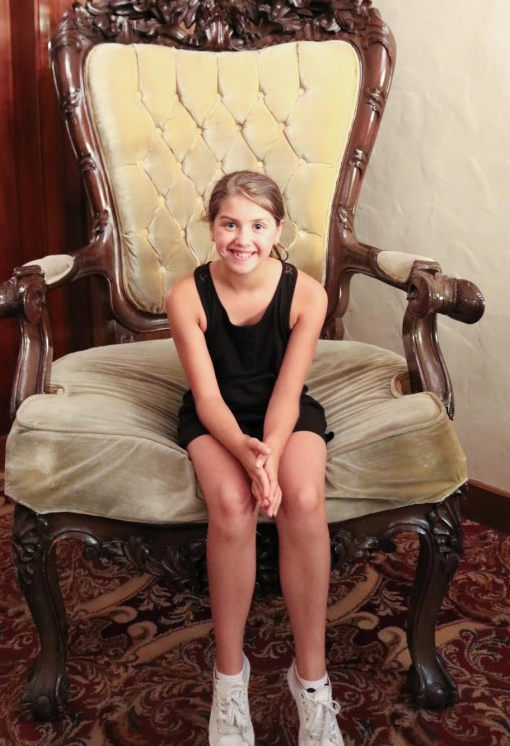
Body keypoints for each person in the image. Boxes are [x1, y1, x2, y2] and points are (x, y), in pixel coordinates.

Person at [166, 170, 344, 746]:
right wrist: (246, 457)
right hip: (217, 418)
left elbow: (288, 395)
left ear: (278, 230)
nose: (243, 239)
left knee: (304, 498)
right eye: (230, 224)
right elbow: (208, 398)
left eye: (258, 226)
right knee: (231, 501)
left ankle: (311, 682)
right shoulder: (186, 295)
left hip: (282, 414)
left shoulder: (308, 294)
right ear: (211, 227)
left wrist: (269, 453)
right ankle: (229, 681)